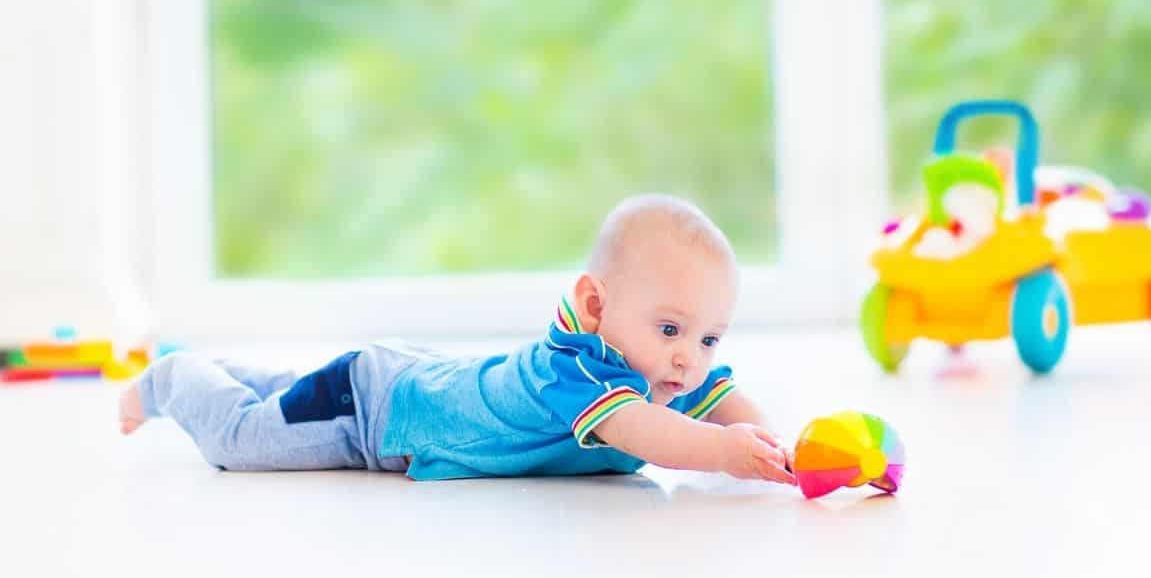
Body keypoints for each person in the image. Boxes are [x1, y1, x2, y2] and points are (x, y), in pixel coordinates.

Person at [120, 194, 793, 484]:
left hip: (409, 377)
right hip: (373, 412)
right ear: (596, 303)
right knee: (243, 440)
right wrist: (725, 454)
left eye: (709, 338)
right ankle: (173, 378)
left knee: (283, 397)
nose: (689, 357)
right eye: (671, 329)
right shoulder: (579, 374)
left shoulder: (660, 367)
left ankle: (229, 371)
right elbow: (650, 434)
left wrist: (777, 452)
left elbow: (720, 397)